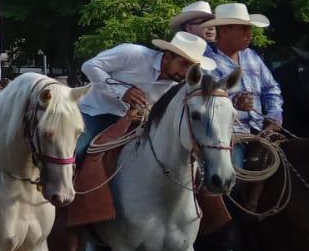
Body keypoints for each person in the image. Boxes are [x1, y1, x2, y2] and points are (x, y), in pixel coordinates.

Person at [76, 32, 215, 159]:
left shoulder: (176, 87)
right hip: (95, 114)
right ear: (167, 57)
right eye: (184, 64)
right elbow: (90, 66)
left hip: (135, 128)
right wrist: (121, 91)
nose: (186, 72)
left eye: (192, 67)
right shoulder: (133, 53)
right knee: (75, 152)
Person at [203, 3, 283, 139]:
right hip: (227, 135)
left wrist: (274, 115)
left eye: (250, 29)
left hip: (260, 130)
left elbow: (271, 89)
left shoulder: (251, 56)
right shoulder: (206, 62)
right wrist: (233, 104)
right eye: (244, 29)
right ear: (224, 31)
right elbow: (205, 102)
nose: (250, 34)